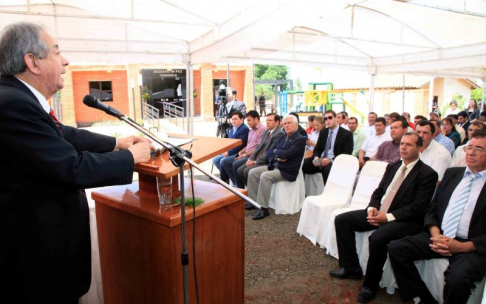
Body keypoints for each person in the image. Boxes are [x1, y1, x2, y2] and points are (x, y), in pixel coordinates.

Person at [0, 22, 155, 303]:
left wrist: (116, 143)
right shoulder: (12, 103)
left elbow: (60, 134)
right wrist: (130, 158)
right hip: (34, 263)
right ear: (32, 62)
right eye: (57, 53)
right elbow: (72, 167)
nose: (66, 61)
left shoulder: (16, 97)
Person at [329, 133, 438, 303]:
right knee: (342, 220)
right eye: (402, 144)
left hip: (404, 219)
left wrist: (386, 217)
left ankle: (370, 285)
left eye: (409, 145)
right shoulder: (394, 166)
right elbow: (379, 191)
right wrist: (372, 208)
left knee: (378, 238)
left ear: (420, 148)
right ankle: (351, 267)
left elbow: (419, 207)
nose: (403, 147)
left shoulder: (427, 174)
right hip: (381, 211)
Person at [388, 130, 486, 304]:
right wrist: (435, 234)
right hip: (438, 235)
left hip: (470, 245)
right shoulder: (453, 174)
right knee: (396, 248)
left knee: (457, 280)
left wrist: (463, 247)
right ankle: (424, 299)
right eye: (469, 147)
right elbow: (432, 208)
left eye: (479, 149)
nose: (470, 152)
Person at [247, 115, 306, 220]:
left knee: (265, 176)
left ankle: (263, 208)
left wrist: (278, 153)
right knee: (253, 172)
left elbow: (288, 154)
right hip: (275, 166)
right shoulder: (282, 137)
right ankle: (253, 201)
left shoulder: (300, 139)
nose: (287, 125)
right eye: (285, 123)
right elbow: (269, 152)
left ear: (296, 125)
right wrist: (278, 155)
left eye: (289, 123)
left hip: (287, 170)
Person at [302, 110, 353, 184]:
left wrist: (331, 160)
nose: (327, 120)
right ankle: (304, 192)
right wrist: (316, 158)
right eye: (325, 119)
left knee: (328, 171)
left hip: (334, 161)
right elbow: (317, 149)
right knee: (303, 164)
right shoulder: (323, 132)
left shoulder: (346, 134)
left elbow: (347, 153)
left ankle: (328, 194)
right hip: (320, 160)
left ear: (336, 118)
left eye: (330, 118)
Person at [236, 113, 284, 191]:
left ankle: (254, 194)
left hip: (266, 161)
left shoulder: (279, 134)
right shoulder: (267, 131)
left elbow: (269, 152)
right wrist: (250, 159)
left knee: (247, 171)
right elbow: (258, 147)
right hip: (257, 158)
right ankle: (251, 191)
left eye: (270, 120)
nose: (267, 122)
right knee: (240, 170)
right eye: (267, 120)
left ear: (277, 122)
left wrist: (255, 162)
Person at [220, 110, 266, 186]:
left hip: (253, 156)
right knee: (224, 161)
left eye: (249, 120)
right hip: (246, 154)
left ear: (256, 119)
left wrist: (244, 155)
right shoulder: (252, 130)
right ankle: (234, 184)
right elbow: (247, 146)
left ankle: (239, 186)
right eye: (247, 120)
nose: (247, 122)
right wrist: (241, 152)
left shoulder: (262, 130)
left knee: (232, 163)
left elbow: (258, 148)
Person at [212, 111, 249, 181]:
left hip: (237, 152)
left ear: (241, 119)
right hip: (230, 151)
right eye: (232, 119)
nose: (233, 121)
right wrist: (224, 150)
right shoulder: (234, 128)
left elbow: (240, 145)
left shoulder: (244, 129)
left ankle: (227, 179)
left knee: (221, 160)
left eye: (235, 119)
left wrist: (228, 153)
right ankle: (227, 177)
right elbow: (229, 141)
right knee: (215, 159)